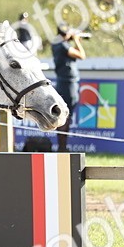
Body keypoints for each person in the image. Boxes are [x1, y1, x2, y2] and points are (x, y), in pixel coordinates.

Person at [50, 24, 87, 152]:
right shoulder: (63, 45)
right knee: (66, 116)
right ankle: (62, 148)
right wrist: (76, 40)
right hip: (68, 84)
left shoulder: (57, 43)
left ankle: (62, 147)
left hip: (64, 82)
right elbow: (82, 55)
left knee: (65, 116)